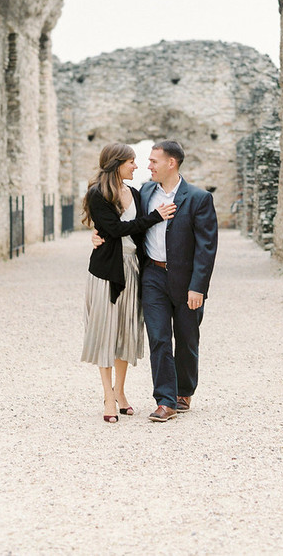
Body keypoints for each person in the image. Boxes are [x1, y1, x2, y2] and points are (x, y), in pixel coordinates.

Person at [94, 140, 218, 422]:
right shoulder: (145, 192)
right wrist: (98, 235)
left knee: (187, 339)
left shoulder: (199, 199)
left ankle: (184, 391)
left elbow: (206, 249)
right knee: (159, 337)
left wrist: (198, 286)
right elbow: (120, 220)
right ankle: (165, 400)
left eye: (153, 161)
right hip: (152, 275)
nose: (147, 166)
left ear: (170, 163)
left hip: (186, 280)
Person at [81, 143, 176, 424]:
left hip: (133, 269)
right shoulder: (98, 194)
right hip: (106, 272)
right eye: (132, 162)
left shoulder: (134, 193)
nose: (137, 166)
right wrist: (154, 216)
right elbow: (115, 229)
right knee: (105, 331)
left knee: (126, 330)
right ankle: (108, 397)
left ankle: (120, 392)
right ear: (116, 163)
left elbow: (136, 235)